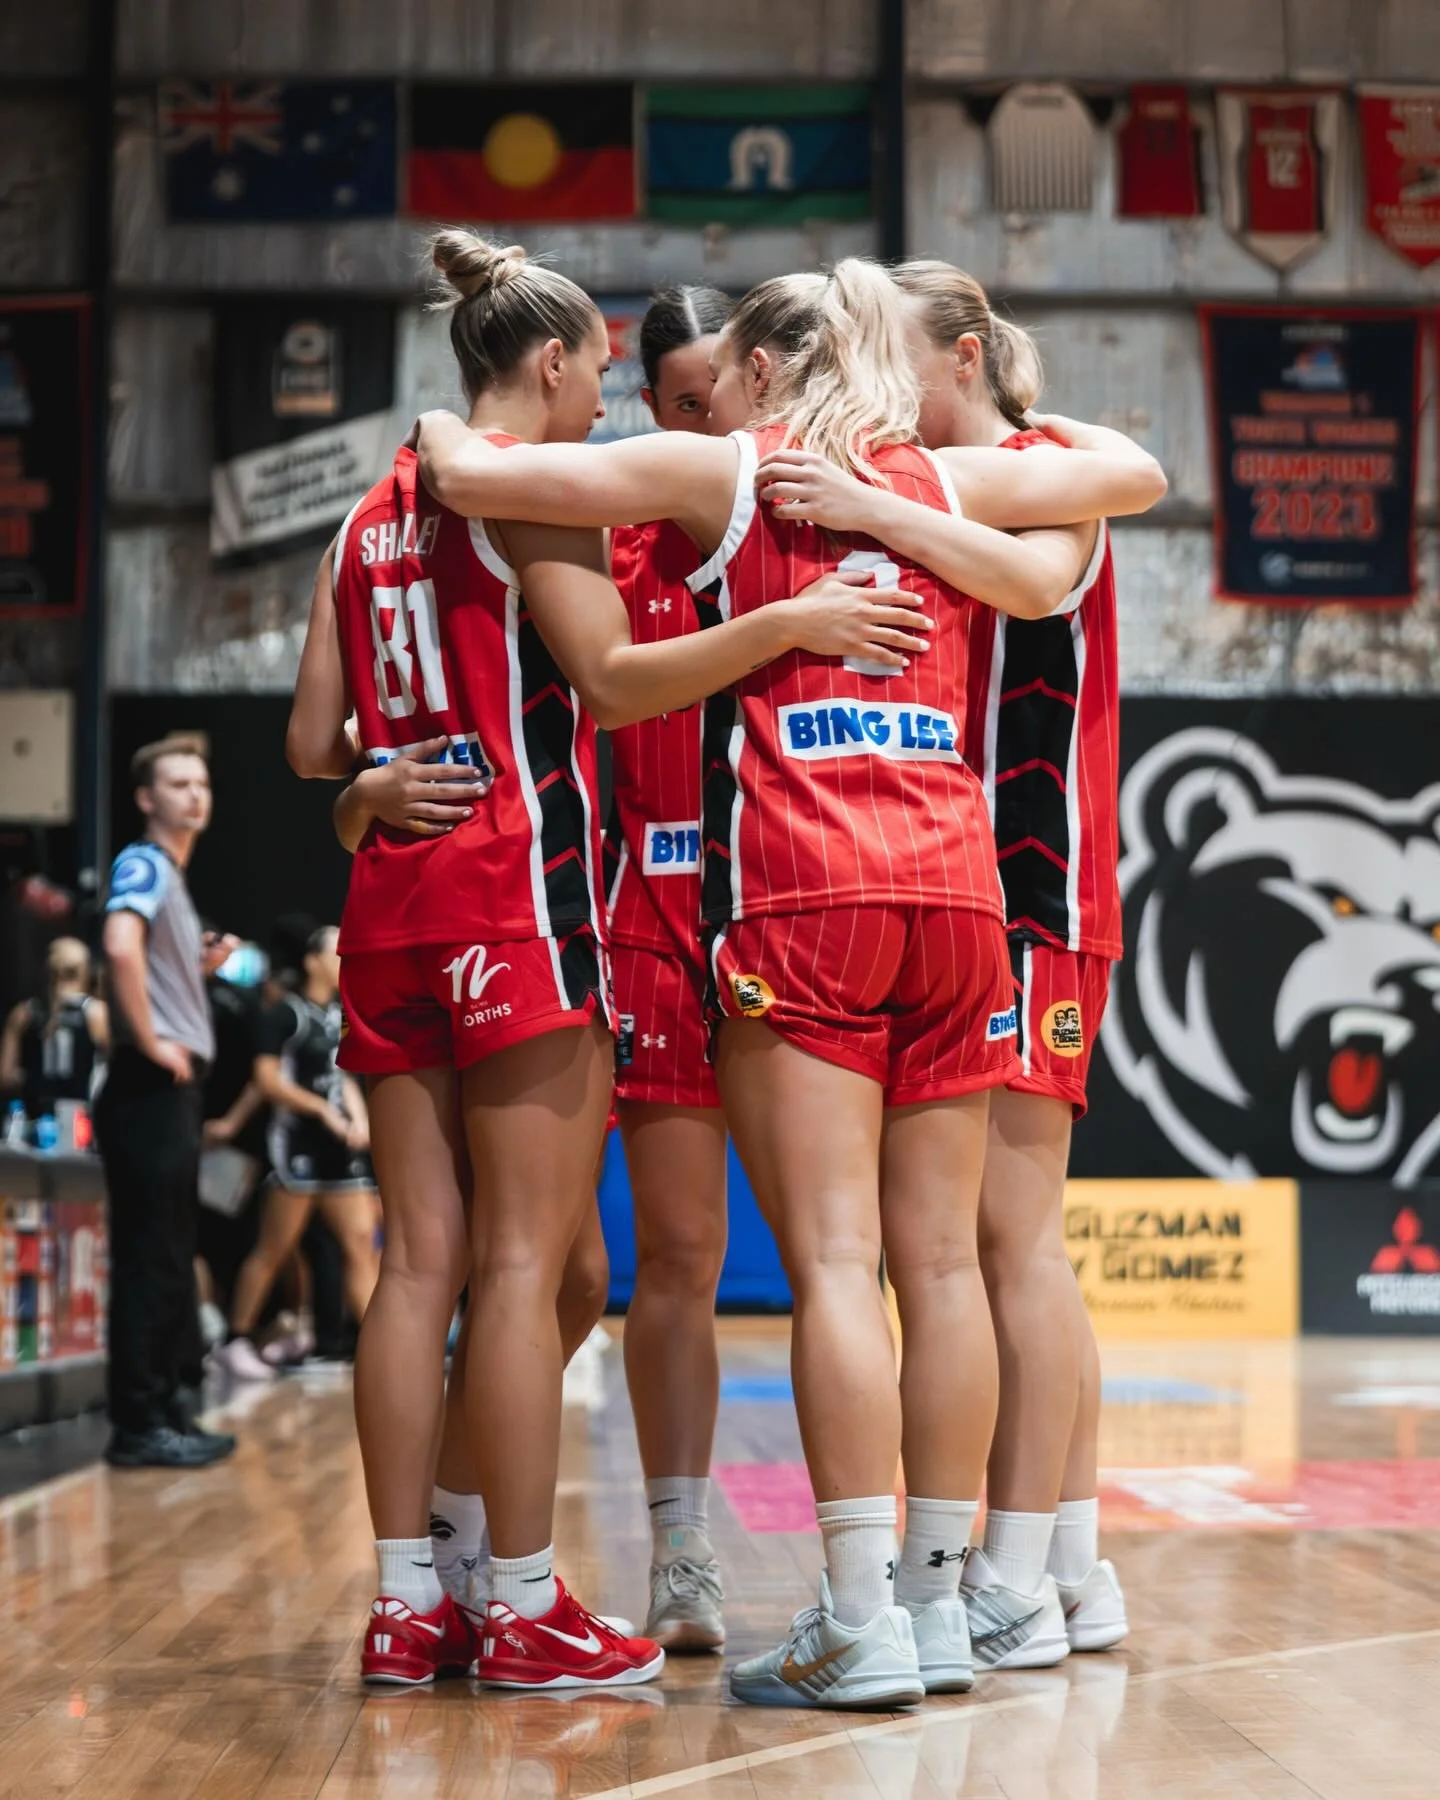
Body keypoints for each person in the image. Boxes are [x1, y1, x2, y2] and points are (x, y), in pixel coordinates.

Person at [416, 256, 1165, 1708]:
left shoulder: (728, 471)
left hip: (802, 884)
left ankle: (861, 1614)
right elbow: (1125, 477)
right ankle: (953, 1606)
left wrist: (455, 400)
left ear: (760, 373)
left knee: (833, 1265)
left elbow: (475, 470)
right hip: (958, 891)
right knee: (941, 1265)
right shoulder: (955, 485)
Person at [287, 231, 927, 1689]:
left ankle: (411, 1594)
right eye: (614, 391)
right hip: (524, 896)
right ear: (565, 362)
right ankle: (516, 1600)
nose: (628, 429)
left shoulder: (360, 518)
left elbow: (313, 743)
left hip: (387, 911)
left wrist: (362, 793)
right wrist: (793, 620)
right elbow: (621, 680)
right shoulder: (544, 504)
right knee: (525, 1265)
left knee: (440, 1266)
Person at [741, 259, 1157, 1667]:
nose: (862, 385)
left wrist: (869, 507)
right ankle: (1063, 1569)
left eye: (886, 356)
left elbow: (1077, 532)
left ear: (962, 355)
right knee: (991, 1250)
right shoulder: (951, 476)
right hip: (964, 887)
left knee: (1008, 1246)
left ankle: (1023, 1578)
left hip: (1028, 890)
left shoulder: (1034, 471)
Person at [95, 736, 238, 1469]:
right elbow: (120, 944)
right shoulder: (144, 863)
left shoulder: (170, 879)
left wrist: (197, 966)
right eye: (177, 782)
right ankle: (140, 1421)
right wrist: (152, 1041)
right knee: (153, 1257)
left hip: (167, 1095)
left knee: (170, 1255)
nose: (193, 794)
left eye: (201, 782)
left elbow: (142, 954)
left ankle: (167, 1408)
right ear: (147, 798)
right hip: (149, 1090)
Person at [211, 926, 380, 1382]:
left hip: (339, 1149)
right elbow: (266, 1081)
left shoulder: (341, 1013)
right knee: (273, 1249)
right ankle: (235, 1339)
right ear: (312, 961)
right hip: (298, 1147)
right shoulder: (283, 1014)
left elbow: (344, 1073)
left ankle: (381, 1347)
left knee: (361, 1246)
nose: (346, 956)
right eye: (336, 950)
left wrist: (358, 1117)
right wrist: (322, 1110)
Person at [0, 936, 108, 1121]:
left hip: (33, 1116)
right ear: (84, 970)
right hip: (81, 1117)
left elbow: (6, 1077)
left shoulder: (24, 1013)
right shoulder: (96, 1013)